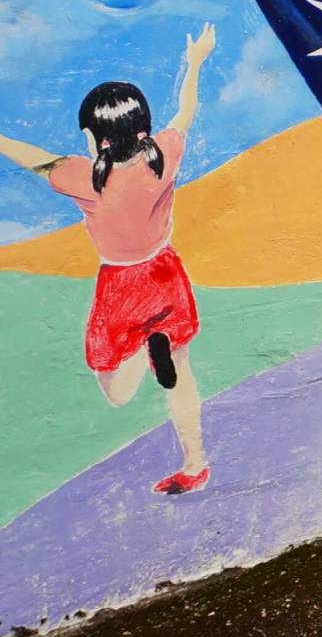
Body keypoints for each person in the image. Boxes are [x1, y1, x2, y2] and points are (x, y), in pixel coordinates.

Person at [0, 25, 218, 494]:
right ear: (142, 127)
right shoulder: (165, 154)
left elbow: (35, 159)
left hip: (121, 284)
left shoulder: (86, 179)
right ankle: (196, 463)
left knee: (116, 391)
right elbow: (186, 111)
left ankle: (143, 349)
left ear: (93, 137)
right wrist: (196, 60)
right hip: (166, 273)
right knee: (181, 373)